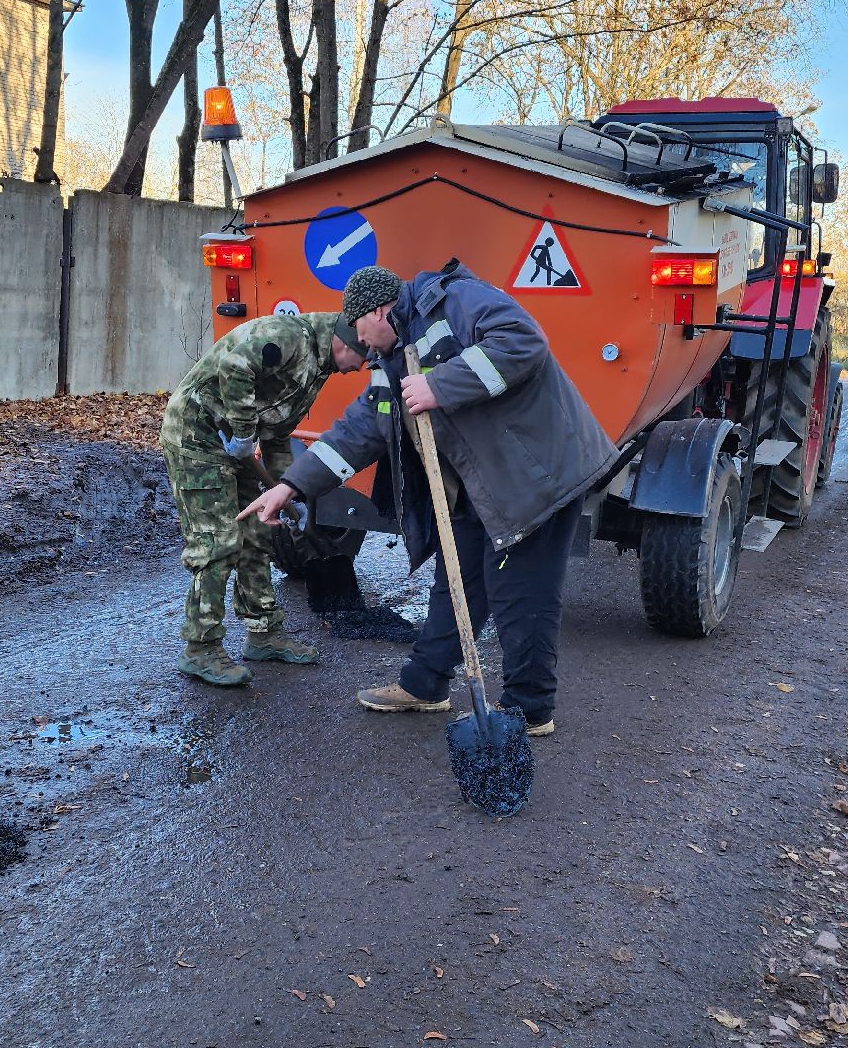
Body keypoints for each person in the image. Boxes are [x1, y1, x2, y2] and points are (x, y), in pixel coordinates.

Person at [239, 263, 617, 736]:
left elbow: (523, 342)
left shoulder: (457, 302)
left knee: (521, 595)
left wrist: (439, 385)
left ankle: (529, 710)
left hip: (533, 477)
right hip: (478, 485)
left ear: (380, 310)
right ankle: (425, 684)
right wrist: (291, 485)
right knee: (456, 582)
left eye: (360, 330)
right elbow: (360, 431)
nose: (362, 345)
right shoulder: (392, 355)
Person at [160, 311, 369, 686]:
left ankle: (264, 633)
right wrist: (242, 432)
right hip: (198, 437)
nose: (361, 368)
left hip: (239, 447)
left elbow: (277, 437)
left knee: (258, 534)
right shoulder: (288, 336)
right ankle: (200, 648)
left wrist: (289, 488)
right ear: (346, 341)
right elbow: (235, 367)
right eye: (362, 356)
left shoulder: (319, 369)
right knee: (218, 542)